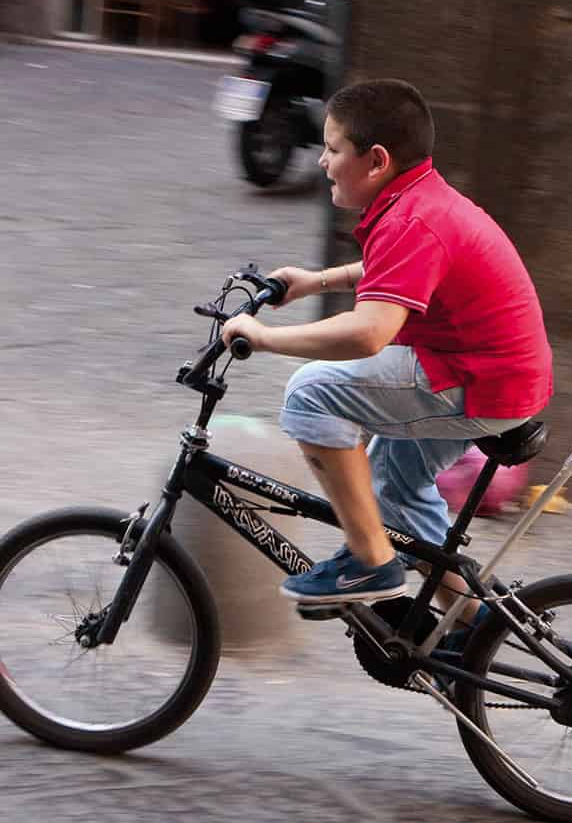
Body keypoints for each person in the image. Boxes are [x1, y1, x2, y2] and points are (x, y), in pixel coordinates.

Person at [221, 79, 552, 627]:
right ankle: (473, 626)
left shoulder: (413, 216)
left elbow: (368, 334)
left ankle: (373, 563)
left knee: (310, 393)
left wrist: (264, 338)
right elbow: (394, 271)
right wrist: (315, 281)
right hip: (493, 374)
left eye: (331, 149)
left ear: (376, 161)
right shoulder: (416, 201)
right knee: (392, 487)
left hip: (480, 379)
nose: (322, 162)